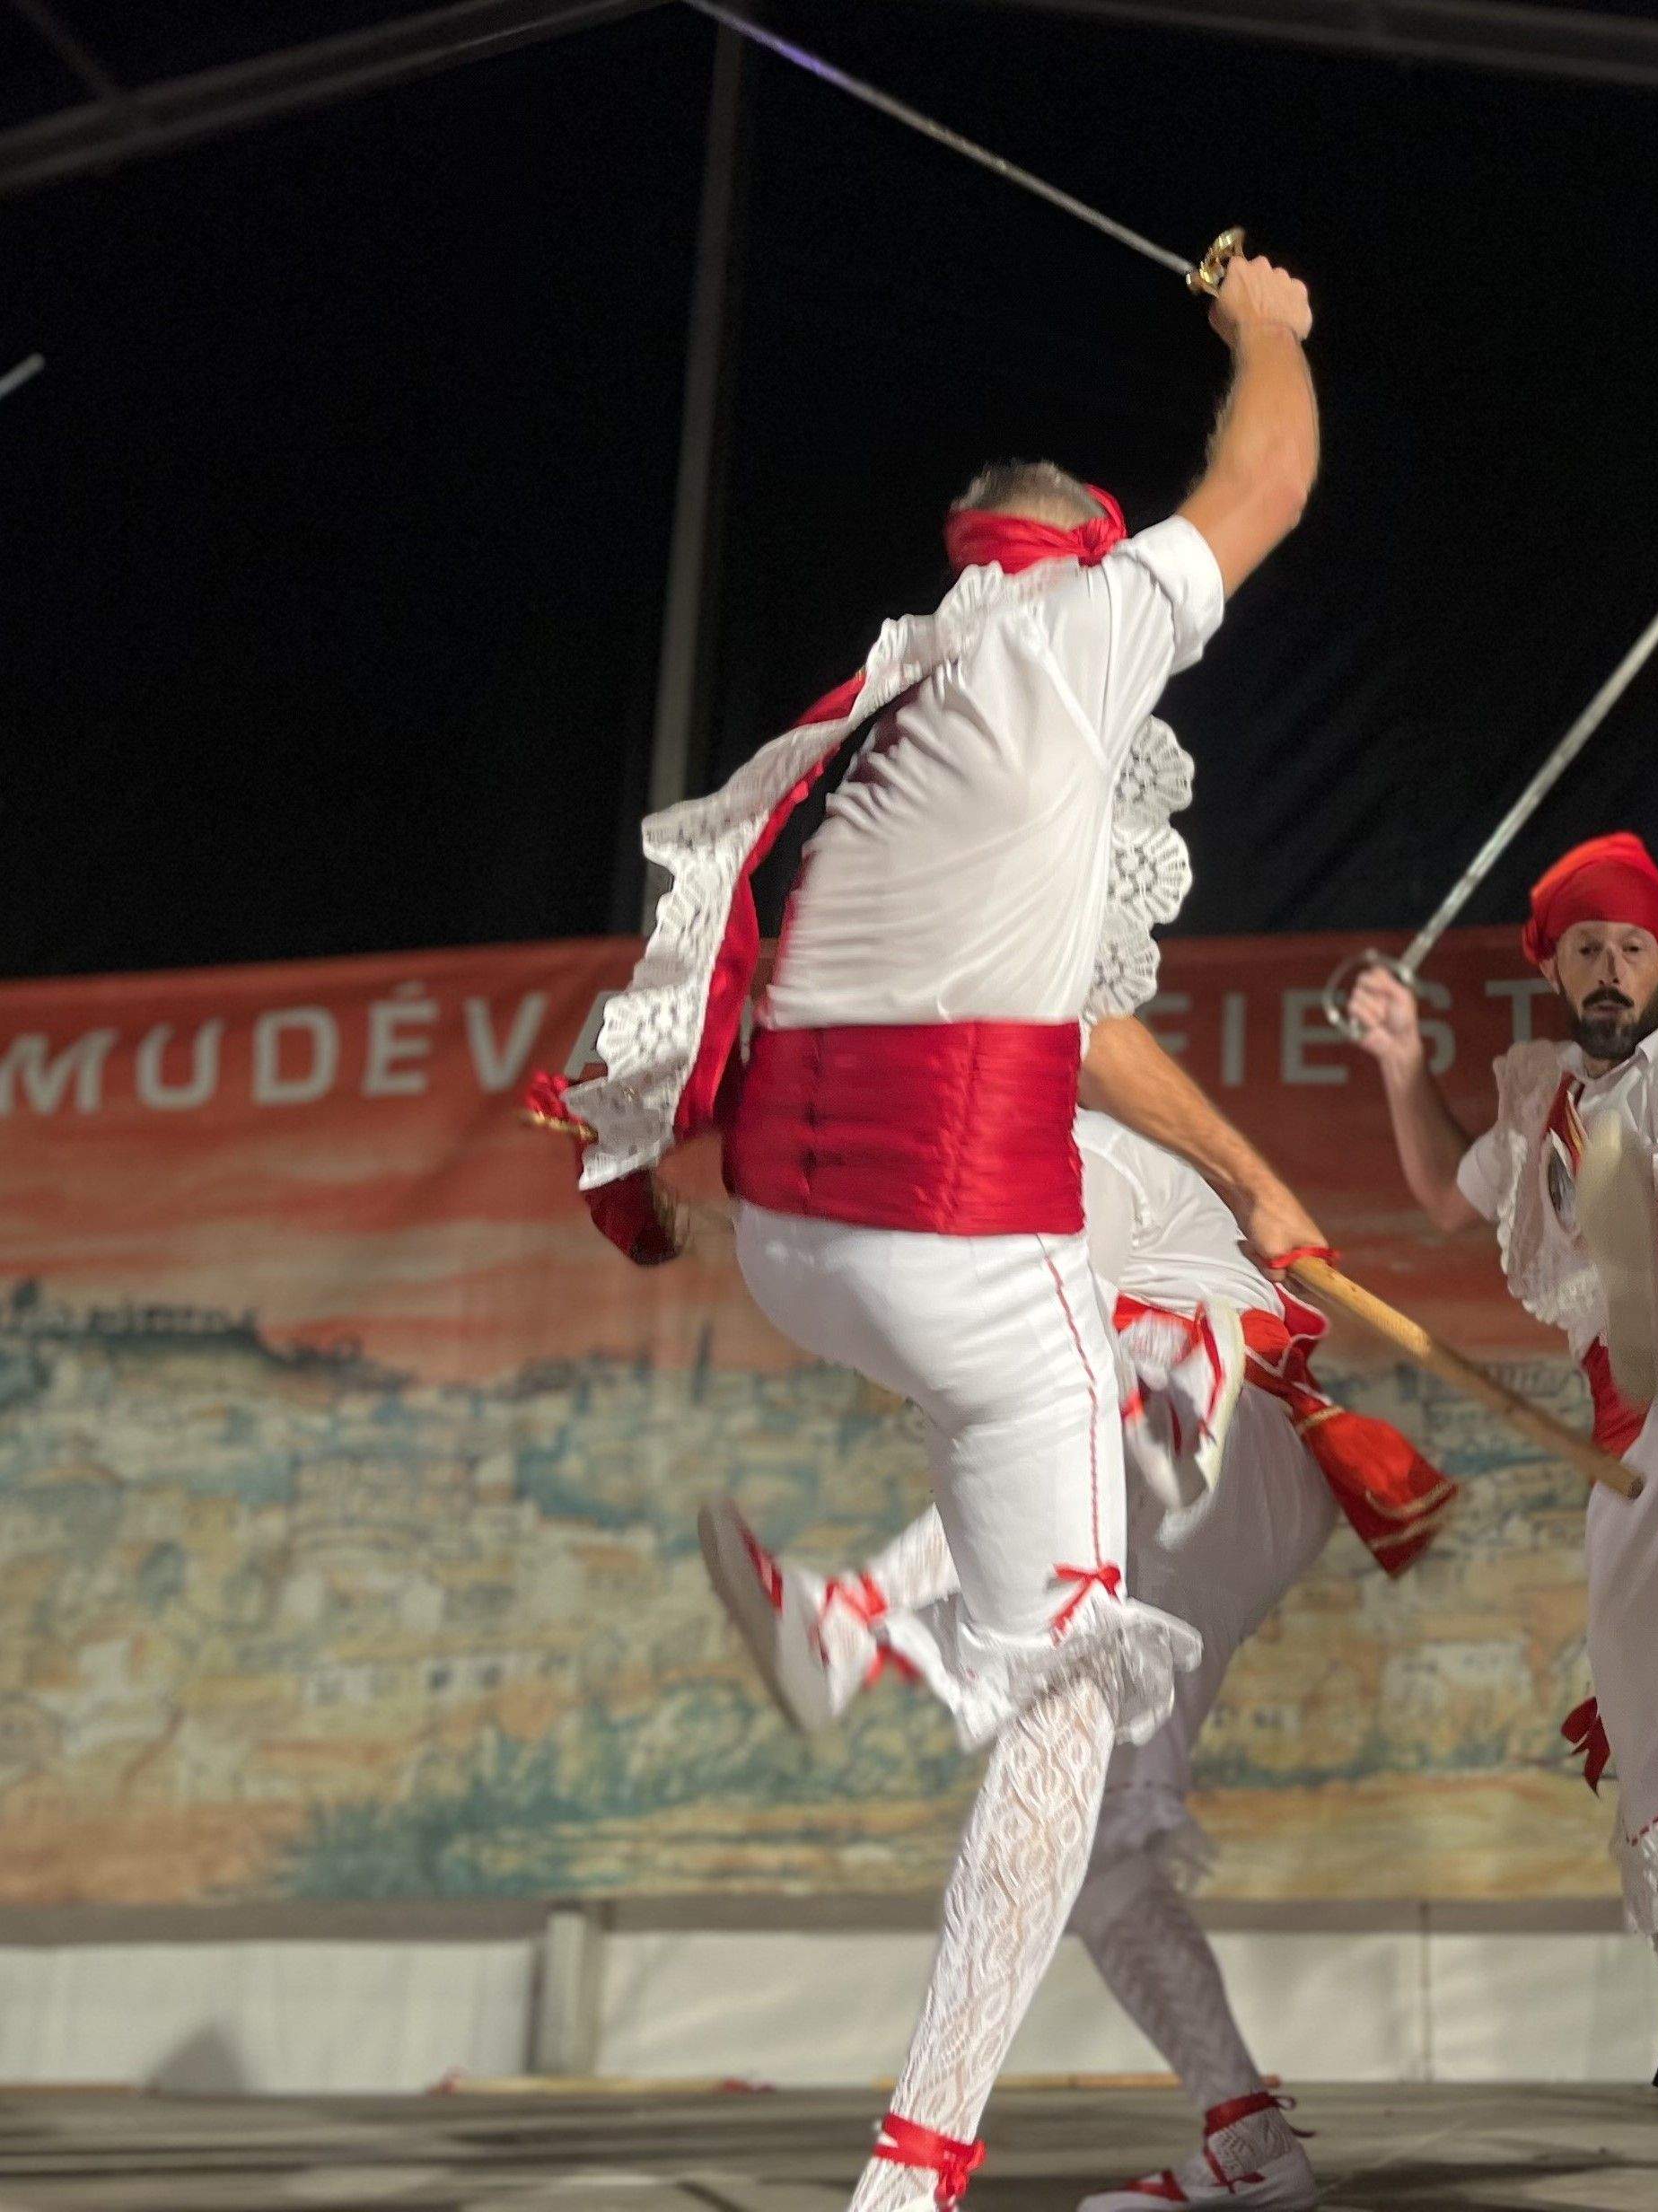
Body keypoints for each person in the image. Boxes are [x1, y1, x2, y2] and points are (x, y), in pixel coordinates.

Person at [543, 254, 1326, 2212]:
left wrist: (1239, 1182)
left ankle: (1238, 2124)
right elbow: (1266, 489)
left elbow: (1071, 1021)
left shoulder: (903, 696)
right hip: (986, 1266)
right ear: (1072, 555)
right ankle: (914, 2164)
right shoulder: (1067, 642)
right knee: (1069, 1706)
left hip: (801, 1239)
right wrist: (1270, 332)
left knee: (1106, 1783)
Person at [702, 1111, 1456, 2210]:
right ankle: (1249, 2142)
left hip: (1229, 1448)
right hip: (1193, 1483)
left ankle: (851, 1622)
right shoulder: (989, 1182)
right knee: (1098, 1859)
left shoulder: (1066, 1154)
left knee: (1049, 1416)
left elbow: (1036, 1372)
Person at [1348, 833, 1658, 2212]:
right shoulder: (1545, 1095)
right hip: (1639, 1444)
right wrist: (1403, 1064)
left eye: (1632, 945)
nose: (1611, 968)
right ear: (1557, 970)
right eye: (1587, 948)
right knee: (1654, 1761)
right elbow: (1443, 1188)